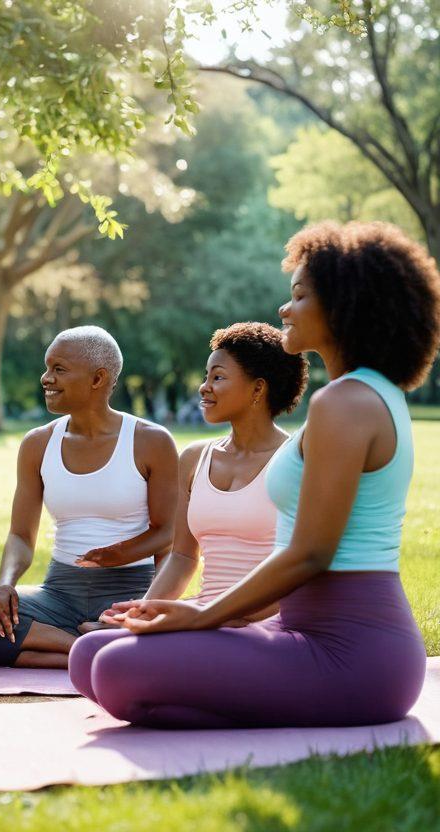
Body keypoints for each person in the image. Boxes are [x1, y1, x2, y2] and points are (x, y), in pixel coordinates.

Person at [72, 221, 440, 728]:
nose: (285, 310)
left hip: (354, 656)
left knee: (114, 668)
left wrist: (204, 616)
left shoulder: (346, 401)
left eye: (299, 296)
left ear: (343, 304)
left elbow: (311, 553)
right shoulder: (367, 393)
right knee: (91, 653)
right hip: (299, 631)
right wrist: (198, 616)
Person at [0, 326, 178, 669]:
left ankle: (50, 651)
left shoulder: (151, 441)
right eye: (47, 367)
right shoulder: (38, 444)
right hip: (59, 595)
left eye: (58, 369)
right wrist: (5, 585)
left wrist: (124, 560)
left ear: (98, 379)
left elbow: (168, 532)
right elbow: (21, 535)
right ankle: (85, 647)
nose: (45, 378)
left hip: (127, 593)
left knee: (168, 638)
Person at [71, 322, 307, 659]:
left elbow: (303, 566)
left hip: (265, 623)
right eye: (206, 376)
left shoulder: (294, 461)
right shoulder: (195, 458)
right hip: (204, 614)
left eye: (218, 377)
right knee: (90, 648)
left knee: (112, 657)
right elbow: (182, 557)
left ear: (258, 389)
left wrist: (227, 617)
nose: (204, 387)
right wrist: (145, 610)